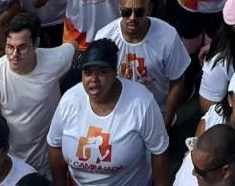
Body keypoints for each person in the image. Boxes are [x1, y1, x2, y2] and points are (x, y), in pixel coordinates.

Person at [46, 38, 169, 186]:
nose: (94, 79)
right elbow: (54, 144)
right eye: (87, 72)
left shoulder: (142, 102)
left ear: (115, 72)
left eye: (102, 72)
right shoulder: (69, 100)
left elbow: (159, 152)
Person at [0, 13, 76, 174]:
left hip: (48, 162)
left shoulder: (56, 59)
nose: (14, 55)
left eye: (22, 47)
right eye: (10, 47)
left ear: (36, 43)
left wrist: (60, 81)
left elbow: (74, 47)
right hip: (12, 165)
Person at [96, 0, 191, 128]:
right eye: (126, 12)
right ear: (119, 8)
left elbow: (177, 81)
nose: (132, 18)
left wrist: (165, 123)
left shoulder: (168, 36)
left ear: (149, 9)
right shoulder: (104, 37)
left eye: (139, 12)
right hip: (119, 115)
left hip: (157, 113)